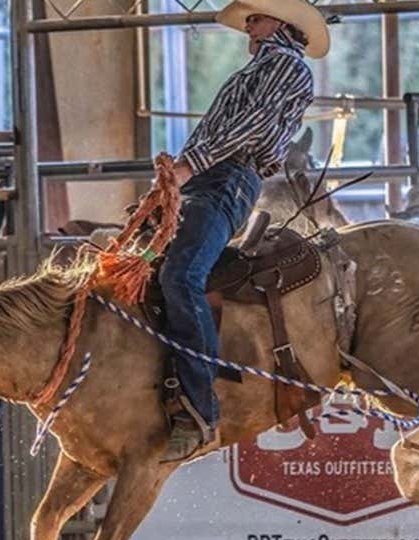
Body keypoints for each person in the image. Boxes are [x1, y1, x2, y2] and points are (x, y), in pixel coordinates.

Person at [158, 0, 322, 461]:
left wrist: (189, 167)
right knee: (162, 272)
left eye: (257, 17)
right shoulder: (269, 68)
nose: (248, 25)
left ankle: (199, 410)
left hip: (226, 178)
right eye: (250, 18)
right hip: (217, 178)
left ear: (282, 24)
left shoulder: (285, 65)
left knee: (181, 276)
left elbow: (250, 127)